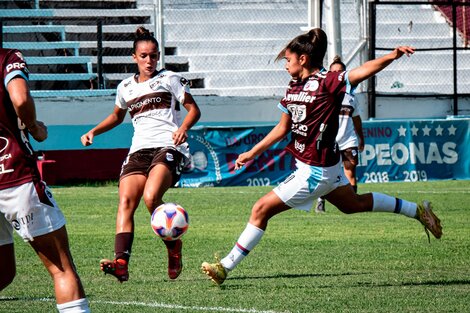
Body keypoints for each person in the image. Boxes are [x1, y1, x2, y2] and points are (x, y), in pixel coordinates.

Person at [201, 28, 442, 285]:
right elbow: (282, 129)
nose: (285, 65)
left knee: (260, 209)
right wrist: (251, 152)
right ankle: (416, 211)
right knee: (353, 205)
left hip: (315, 171)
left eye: (288, 59)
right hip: (325, 167)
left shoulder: (329, 81)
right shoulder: (294, 86)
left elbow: (362, 71)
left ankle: (224, 267)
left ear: (302, 59)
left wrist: (391, 56)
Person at [80, 26, 201, 282]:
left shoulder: (170, 79)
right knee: (125, 203)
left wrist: (183, 128)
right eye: (144, 56)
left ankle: (173, 245)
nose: (149, 61)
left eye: (154, 55)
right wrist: (94, 131)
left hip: (168, 147)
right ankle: (121, 263)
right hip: (138, 151)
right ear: (134, 57)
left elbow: (194, 110)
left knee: (150, 197)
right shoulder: (125, 87)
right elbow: (116, 116)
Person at [0, 48, 90, 312]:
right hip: (14, 177)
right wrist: (35, 127)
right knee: (61, 268)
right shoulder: (7, 57)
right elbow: (20, 97)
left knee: (3, 271)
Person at [315, 55, 365, 213]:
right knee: (326, 174)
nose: (337, 74)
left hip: (348, 140)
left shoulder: (351, 98)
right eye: (333, 71)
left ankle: (352, 203)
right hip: (329, 141)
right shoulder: (323, 95)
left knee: (350, 170)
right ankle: (320, 200)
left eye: (340, 72)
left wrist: (360, 138)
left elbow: (356, 119)